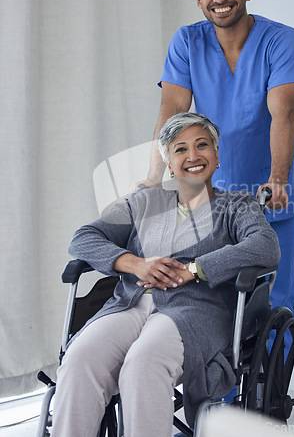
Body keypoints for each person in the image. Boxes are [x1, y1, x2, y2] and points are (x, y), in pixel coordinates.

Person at [51, 112, 280, 437]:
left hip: (195, 310)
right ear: (169, 164)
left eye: (202, 145)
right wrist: (135, 264)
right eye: (180, 149)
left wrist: (194, 269)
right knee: (79, 360)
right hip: (131, 304)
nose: (193, 156)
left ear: (217, 155)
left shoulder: (237, 206)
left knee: (144, 364)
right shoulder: (142, 202)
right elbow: (84, 238)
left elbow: (265, 245)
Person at [137, 0, 294, 319]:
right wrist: (154, 179)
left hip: (270, 194)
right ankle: (227, 380)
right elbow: (171, 111)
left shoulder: (281, 40)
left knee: (273, 301)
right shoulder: (187, 42)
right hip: (213, 196)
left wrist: (278, 178)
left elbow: (284, 113)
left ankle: (275, 378)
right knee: (216, 301)